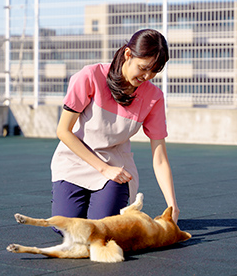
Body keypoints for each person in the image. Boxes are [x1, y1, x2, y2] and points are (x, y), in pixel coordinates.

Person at [50, 29, 179, 229]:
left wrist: (172, 206)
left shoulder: (154, 97)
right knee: (65, 228)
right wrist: (103, 168)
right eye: (143, 68)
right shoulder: (90, 76)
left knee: (103, 229)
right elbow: (63, 131)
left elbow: (160, 157)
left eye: (154, 71)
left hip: (116, 167)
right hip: (74, 162)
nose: (147, 76)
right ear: (128, 55)